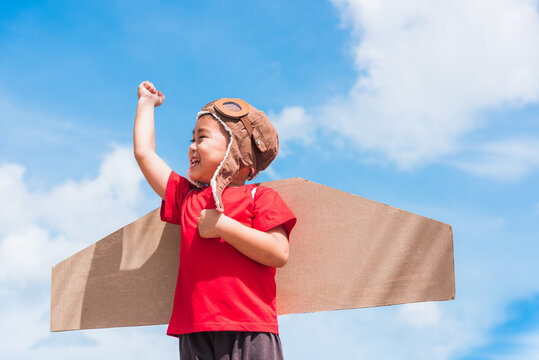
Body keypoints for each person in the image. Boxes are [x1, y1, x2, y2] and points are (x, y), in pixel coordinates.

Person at [133, 80, 296, 359]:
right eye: (192, 139)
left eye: (202, 138)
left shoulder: (260, 196)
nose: (192, 147)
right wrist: (145, 105)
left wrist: (223, 226)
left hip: (250, 327)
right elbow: (144, 154)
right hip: (195, 330)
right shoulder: (186, 197)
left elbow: (278, 252)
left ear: (237, 153)